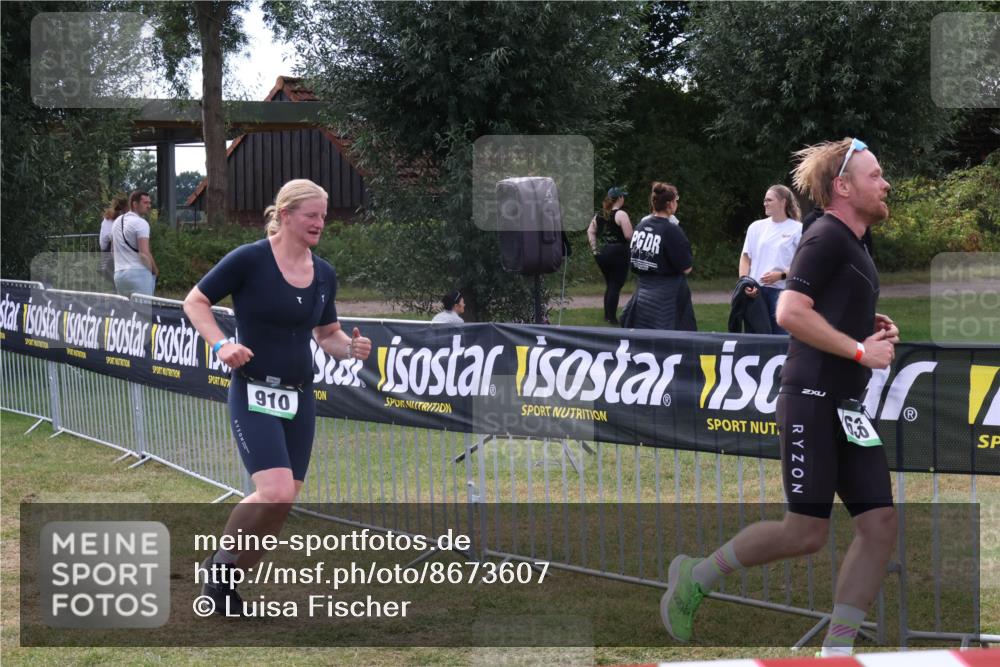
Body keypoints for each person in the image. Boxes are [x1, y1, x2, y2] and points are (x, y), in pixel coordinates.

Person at [661, 138, 899, 658]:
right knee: (804, 533)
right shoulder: (826, 236)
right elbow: (790, 311)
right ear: (843, 187)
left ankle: (836, 651)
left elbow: (823, 308)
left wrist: (865, 325)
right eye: (875, 175)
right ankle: (695, 577)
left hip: (846, 407)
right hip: (812, 399)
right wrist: (861, 350)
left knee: (879, 525)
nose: (885, 184)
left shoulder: (855, 243)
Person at [182, 178, 373, 615]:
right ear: (285, 215)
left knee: (280, 506)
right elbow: (195, 302)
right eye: (311, 215)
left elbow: (326, 333)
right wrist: (221, 345)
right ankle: (218, 567)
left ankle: (224, 586)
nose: (320, 223)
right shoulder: (250, 259)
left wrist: (349, 349)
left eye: (323, 216)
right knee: (274, 492)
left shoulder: (323, 272)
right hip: (253, 390)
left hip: (299, 397)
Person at [619, 182, 696, 331]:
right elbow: (687, 268)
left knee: (644, 340)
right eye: (676, 200)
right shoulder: (672, 230)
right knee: (668, 343)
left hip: (643, 294)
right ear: (669, 204)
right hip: (667, 298)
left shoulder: (640, 227)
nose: (677, 203)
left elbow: (635, 261)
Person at [738, 185, 803, 334]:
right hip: (756, 292)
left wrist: (780, 275)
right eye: (764, 200)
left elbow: (803, 264)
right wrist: (745, 283)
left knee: (780, 340)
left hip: (781, 292)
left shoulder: (797, 229)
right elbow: (745, 257)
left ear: (783, 202)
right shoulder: (756, 227)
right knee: (755, 340)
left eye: (769, 200)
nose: (765, 203)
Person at [587, 186, 633, 325]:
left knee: (610, 284)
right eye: (623, 196)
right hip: (619, 253)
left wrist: (594, 249)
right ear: (619, 198)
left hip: (603, 252)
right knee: (615, 285)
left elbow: (590, 231)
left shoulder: (600, 214)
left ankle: (607, 315)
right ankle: (611, 318)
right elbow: (628, 235)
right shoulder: (621, 214)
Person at [112, 190, 159, 296]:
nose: (149, 206)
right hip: (139, 274)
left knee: (125, 312)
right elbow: (143, 253)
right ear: (135, 204)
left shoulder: (116, 222)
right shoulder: (141, 223)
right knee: (143, 312)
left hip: (119, 275)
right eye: (145, 203)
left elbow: (112, 251)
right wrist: (154, 271)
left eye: (149, 203)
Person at [98, 196, 127, 285]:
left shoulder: (109, 217)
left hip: (109, 249)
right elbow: (108, 236)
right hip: (112, 249)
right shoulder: (111, 217)